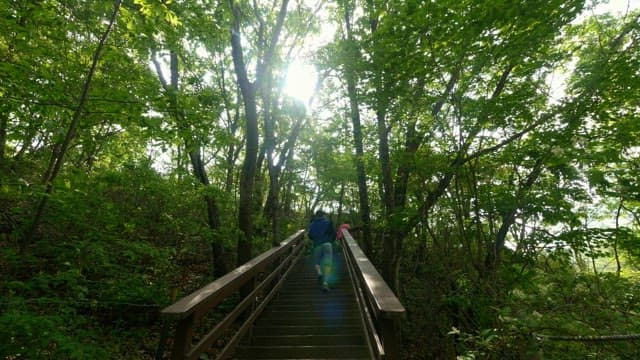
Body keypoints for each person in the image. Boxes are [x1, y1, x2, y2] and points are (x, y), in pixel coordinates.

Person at [307, 210, 335, 292]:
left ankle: (319, 273)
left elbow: (310, 235)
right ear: (323, 215)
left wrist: (315, 239)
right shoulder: (328, 222)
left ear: (316, 215)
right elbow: (333, 233)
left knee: (317, 262)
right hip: (327, 244)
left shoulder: (312, 224)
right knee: (328, 264)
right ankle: (325, 283)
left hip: (317, 245)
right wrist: (331, 240)